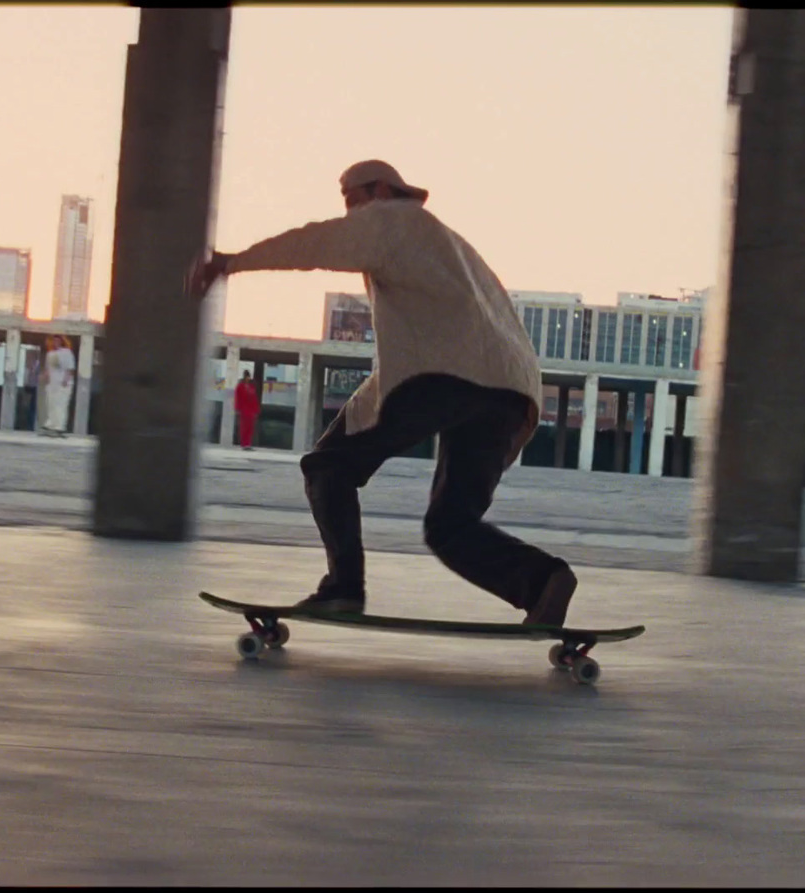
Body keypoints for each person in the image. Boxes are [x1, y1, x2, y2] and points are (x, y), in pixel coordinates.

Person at [187, 159, 578, 627]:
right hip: (511, 395)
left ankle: (343, 589)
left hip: (445, 377)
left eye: (353, 201)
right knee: (450, 527)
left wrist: (232, 262)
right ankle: (542, 581)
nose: (352, 214)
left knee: (328, 465)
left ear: (378, 191)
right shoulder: (454, 247)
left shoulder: (392, 219)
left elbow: (316, 242)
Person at [40, 335, 76, 437]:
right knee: (51, 403)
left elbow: (70, 368)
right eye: (54, 341)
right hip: (52, 383)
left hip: (63, 383)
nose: (55, 343)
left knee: (61, 404)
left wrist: (66, 379)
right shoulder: (50, 354)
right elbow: (48, 368)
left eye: (58, 341)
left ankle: (60, 427)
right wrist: (44, 377)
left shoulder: (67, 353)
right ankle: (50, 425)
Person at [234, 368, 261, 450]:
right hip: (243, 410)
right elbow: (237, 398)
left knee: (250, 428)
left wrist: (256, 410)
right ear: (244, 377)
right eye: (247, 376)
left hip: (251, 411)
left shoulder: (252, 387)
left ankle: (248, 444)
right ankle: (244, 444)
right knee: (244, 427)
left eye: (249, 377)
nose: (248, 378)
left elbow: (255, 399)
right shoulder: (240, 387)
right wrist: (237, 409)